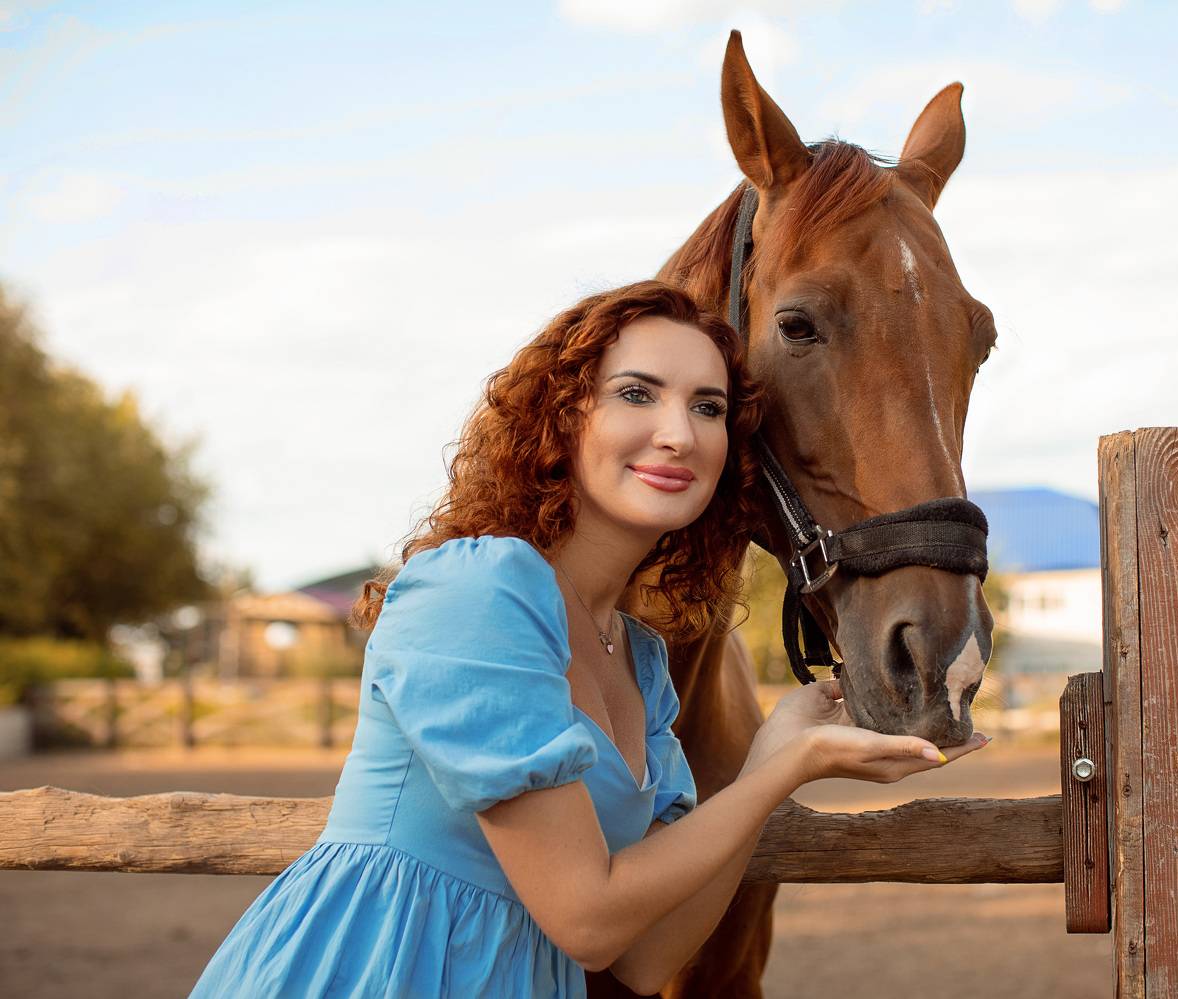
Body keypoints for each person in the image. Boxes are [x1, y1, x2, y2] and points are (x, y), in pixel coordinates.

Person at [189, 280, 989, 998]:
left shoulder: (639, 660)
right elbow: (587, 919)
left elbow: (643, 957)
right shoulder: (477, 589)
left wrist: (771, 757)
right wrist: (792, 765)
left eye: (708, 407)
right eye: (637, 393)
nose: (677, 433)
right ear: (563, 416)